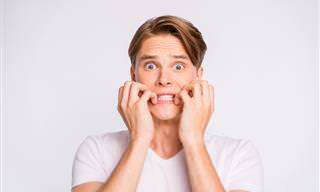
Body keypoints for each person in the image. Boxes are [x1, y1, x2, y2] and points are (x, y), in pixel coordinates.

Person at [71, 15, 263, 192]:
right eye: (151, 66)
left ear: (198, 76)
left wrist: (193, 139)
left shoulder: (238, 154)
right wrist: (139, 139)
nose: (164, 79)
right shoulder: (96, 150)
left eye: (178, 66)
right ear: (133, 75)